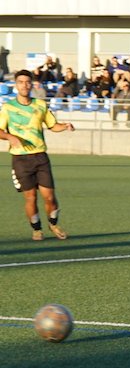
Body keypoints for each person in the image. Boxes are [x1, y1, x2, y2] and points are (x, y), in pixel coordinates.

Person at [0, 70, 74, 241]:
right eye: (20, 82)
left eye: (27, 82)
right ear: (16, 85)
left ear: (32, 84)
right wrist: (10, 137)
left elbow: (52, 125)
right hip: (20, 160)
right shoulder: (8, 107)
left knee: (50, 197)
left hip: (40, 157)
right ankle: (36, 229)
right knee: (31, 197)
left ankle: (53, 224)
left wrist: (65, 126)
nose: (24, 85)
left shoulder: (40, 105)